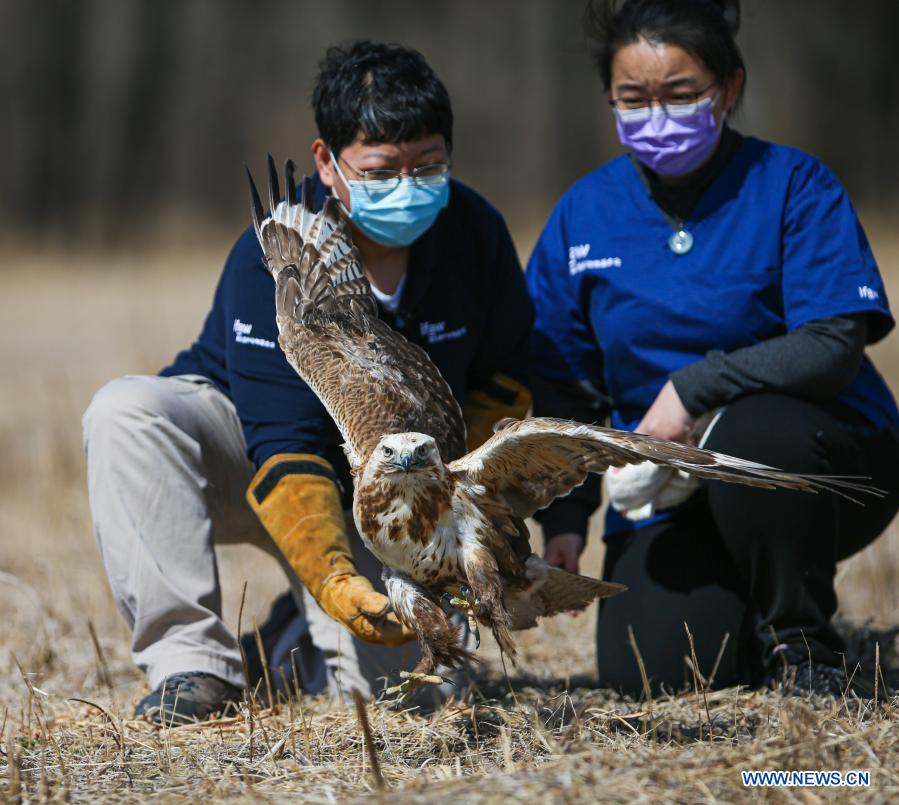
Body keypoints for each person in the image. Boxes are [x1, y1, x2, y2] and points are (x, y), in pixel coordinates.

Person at [82, 40, 533, 723]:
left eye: (429, 165)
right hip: (261, 460)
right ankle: (192, 667)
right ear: (326, 162)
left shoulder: (475, 234)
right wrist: (332, 577)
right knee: (127, 411)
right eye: (382, 171)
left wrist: (462, 522)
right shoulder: (275, 249)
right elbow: (283, 438)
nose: (408, 187)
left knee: (413, 699)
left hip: (392, 495)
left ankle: (292, 643)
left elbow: (505, 385)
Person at [527, 0, 899, 698]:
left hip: (817, 460)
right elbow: (559, 377)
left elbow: (832, 345)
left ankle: (804, 649)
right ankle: (744, 614)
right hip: (668, 483)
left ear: (728, 89)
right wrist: (567, 516)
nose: (656, 115)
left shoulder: (792, 184)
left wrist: (695, 389)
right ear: (609, 97)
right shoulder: (583, 212)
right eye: (632, 99)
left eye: (680, 94)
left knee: (755, 429)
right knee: (655, 674)